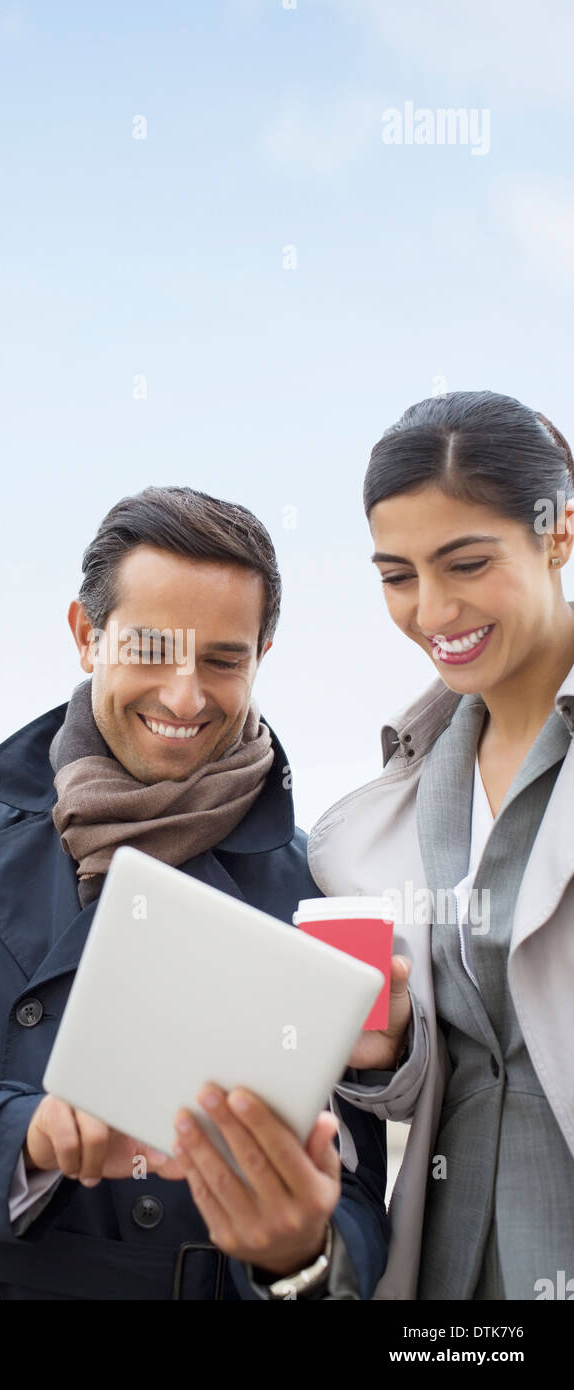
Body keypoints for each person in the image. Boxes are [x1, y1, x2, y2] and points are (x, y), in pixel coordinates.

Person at [0, 485, 389, 1301]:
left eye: (223, 659)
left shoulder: (320, 888)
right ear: (87, 636)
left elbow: (360, 1198)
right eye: (153, 649)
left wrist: (297, 1253)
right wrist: (26, 1137)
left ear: (263, 654)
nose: (185, 697)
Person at [313, 390, 574, 1299]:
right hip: (450, 1262)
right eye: (396, 575)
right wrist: (380, 1049)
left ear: (559, 533)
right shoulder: (388, 815)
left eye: (465, 562)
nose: (432, 609)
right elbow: (440, 1071)